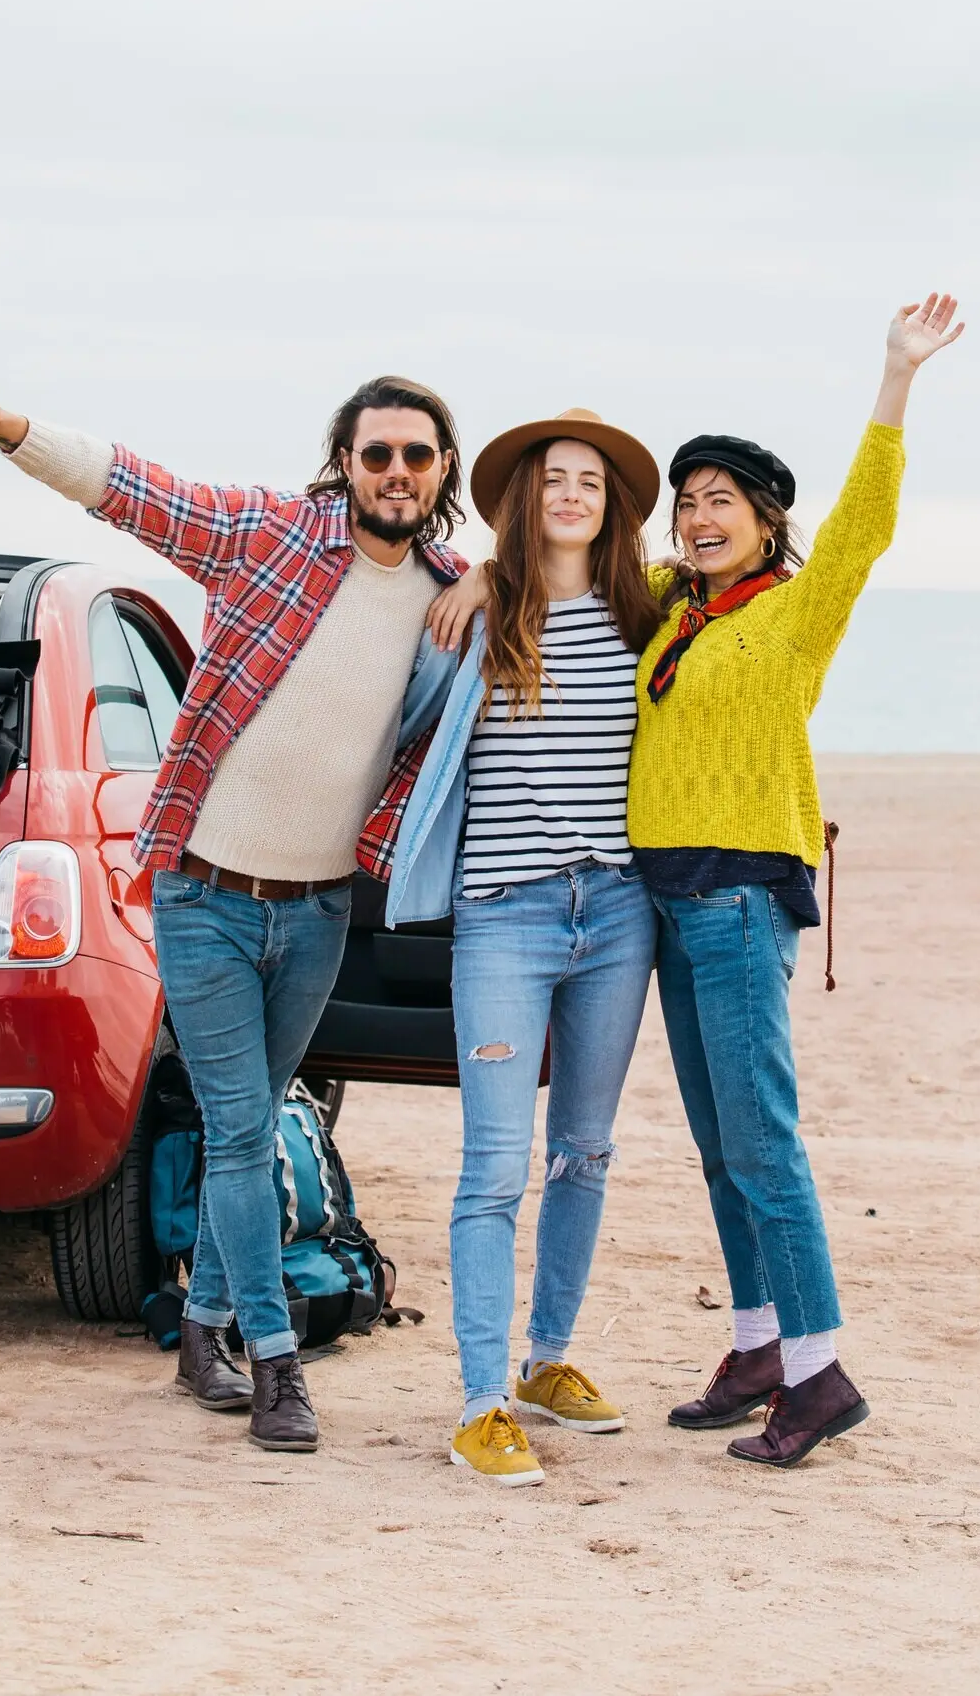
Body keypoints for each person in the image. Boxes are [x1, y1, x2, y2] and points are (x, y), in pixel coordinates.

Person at [0, 318, 465, 1452]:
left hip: (319, 909)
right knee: (236, 1132)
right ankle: (274, 1364)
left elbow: (537, 644)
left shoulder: (449, 598)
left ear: (442, 474)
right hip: (206, 896)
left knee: (257, 1121)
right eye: (378, 455)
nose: (398, 475)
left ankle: (202, 1326)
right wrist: (8, 427)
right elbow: (138, 491)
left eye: (418, 458)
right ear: (346, 464)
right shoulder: (271, 536)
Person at [625, 293, 965, 1467]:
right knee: (721, 1147)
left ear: (768, 522)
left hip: (734, 901)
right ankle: (760, 1344)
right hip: (663, 903)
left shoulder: (792, 615)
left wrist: (895, 378)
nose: (698, 515)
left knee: (765, 1142)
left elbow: (866, 526)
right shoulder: (671, 610)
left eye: (722, 501)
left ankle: (818, 1372)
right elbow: (575, 571)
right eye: (686, 502)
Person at [386, 408, 664, 1487]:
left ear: (612, 505)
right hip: (505, 915)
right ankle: (480, 1400)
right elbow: (397, 721)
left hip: (619, 914)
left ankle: (549, 1362)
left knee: (585, 1151)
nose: (571, 493)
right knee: (494, 1166)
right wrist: (457, 588)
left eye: (590, 480)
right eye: (554, 477)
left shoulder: (650, 614)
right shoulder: (477, 611)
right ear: (524, 497)